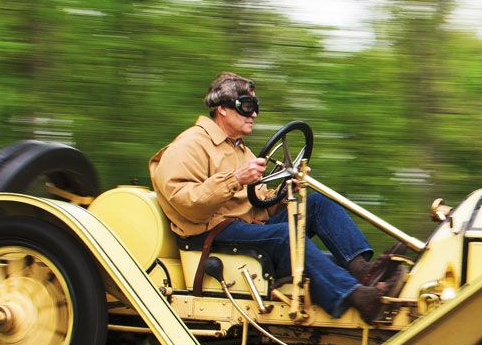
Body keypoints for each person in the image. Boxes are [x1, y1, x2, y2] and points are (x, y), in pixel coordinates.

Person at [149, 72, 386, 322]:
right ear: (223, 110)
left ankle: (364, 273)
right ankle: (356, 296)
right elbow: (186, 203)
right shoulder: (189, 145)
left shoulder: (240, 149)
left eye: (255, 107)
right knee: (285, 234)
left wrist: (285, 193)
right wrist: (236, 179)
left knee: (317, 204)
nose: (254, 114)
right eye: (247, 107)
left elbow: (260, 204)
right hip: (210, 232)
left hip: (247, 227)